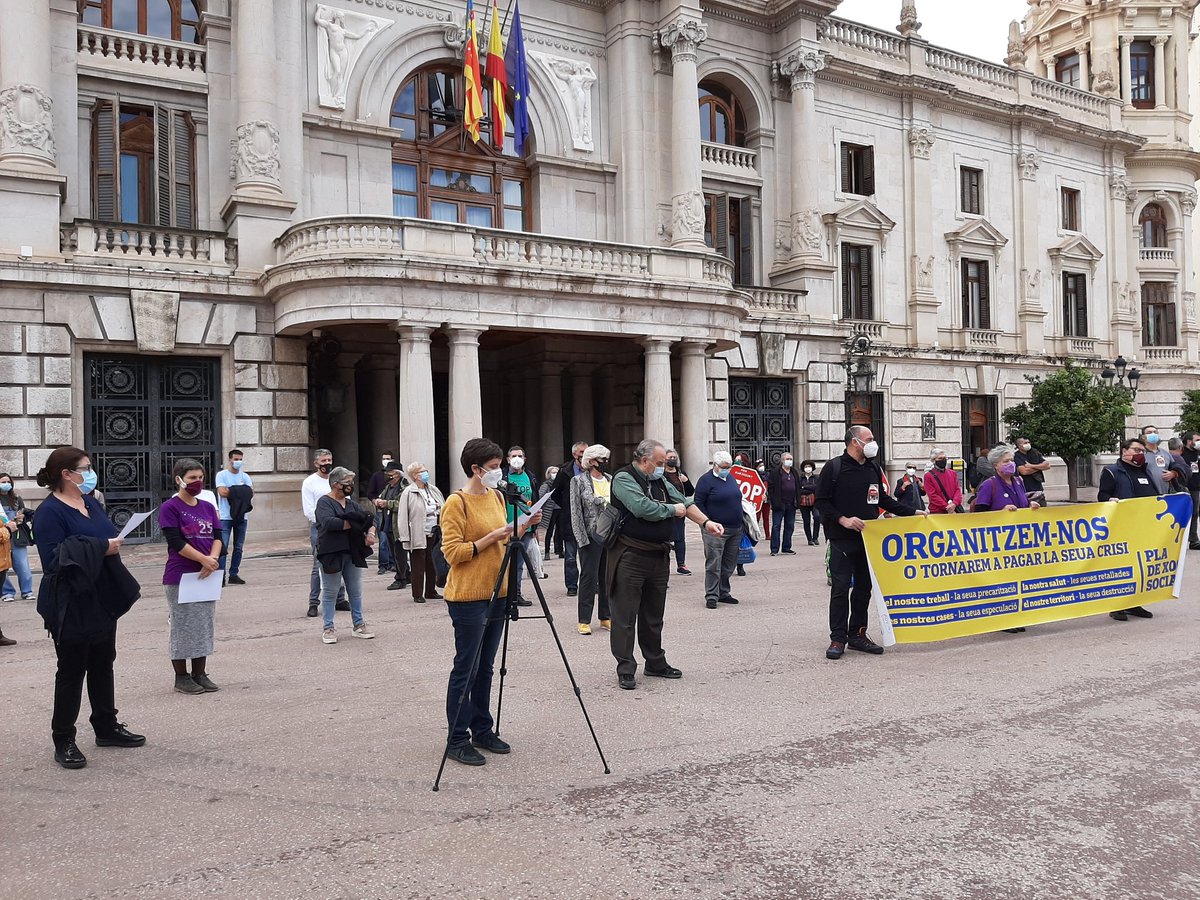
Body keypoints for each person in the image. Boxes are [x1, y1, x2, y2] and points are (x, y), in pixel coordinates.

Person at [34, 446, 144, 770]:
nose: (90, 472)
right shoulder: (49, 513)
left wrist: (109, 544)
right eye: (85, 467)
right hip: (70, 602)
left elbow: (104, 535)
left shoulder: (90, 502)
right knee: (71, 671)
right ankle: (63, 738)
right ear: (67, 474)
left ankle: (106, 726)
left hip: (101, 596)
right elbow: (54, 560)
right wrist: (101, 547)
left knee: (103, 662)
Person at [439, 437, 540, 766]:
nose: (501, 473)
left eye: (500, 466)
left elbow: (508, 537)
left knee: (486, 667)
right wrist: (492, 537)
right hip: (469, 596)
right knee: (465, 668)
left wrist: (525, 525)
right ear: (476, 469)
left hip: (498, 592)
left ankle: (483, 728)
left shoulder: (497, 496)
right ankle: (457, 737)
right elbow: (453, 553)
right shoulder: (457, 502)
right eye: (495, 468)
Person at [608, 439, 724, 689]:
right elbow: (642, 508)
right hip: (630, 555)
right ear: (644, 460)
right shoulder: (623, 478)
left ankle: (655, 662)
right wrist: (673, 510)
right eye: (659, 463)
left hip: (658, 555)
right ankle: (626, 668)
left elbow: (686, 503)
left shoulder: (659, 480)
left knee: (653, 615)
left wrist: (706, 523)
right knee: (625, 616)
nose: (663, 468)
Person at [815, 426, 921, 660]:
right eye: (869, 439)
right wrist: (842, 519)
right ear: (855, 442)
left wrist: (913, 512)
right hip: (842, 539)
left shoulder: (873, 467)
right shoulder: (834, 468)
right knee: (841, 589)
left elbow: (882, 499)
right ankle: (838, 638)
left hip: (869, 539)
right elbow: (821, 501)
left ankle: (858, 634)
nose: (874, 443)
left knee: (864, 589)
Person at [158, 459, 224, 695]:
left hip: (207, 573)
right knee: (183, 625)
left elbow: (218, 536)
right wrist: (202, 559)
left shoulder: (207, 506)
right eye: (192, 478)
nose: (197, 482)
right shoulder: (170, 508)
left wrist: (212, 559)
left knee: (203, 624)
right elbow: (176, 542)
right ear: (179, 480)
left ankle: (200, 673)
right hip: (181, 574)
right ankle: (181, 676)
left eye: (200, 477)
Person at [972, 445, 1040, 634]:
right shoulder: (989, 485)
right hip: (998, 542)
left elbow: (1022, 505)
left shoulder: (1018, 481)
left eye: (1011, 460)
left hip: (1019, 540)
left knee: (1018, 578)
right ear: (996, 465)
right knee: (1003, 581)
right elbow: (979, 515)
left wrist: (1030, 505)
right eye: (1006, 461)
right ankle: (1004, 618)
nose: (1011, 464)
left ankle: (1017, 615)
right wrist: (1000, 514)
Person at [1098, 438, 1159, 621]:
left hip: (1142, 527)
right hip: (1121, 527)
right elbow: (1102, 495)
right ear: (1124, 451)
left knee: (1139, 566)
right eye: (1135, 449)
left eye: (1142, 450)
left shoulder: (1144, 471)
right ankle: (1117, 606)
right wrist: (1110, 501)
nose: (1139, 453)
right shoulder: (1112, 471)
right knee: (1121, 568)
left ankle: (1134, 603)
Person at [314, 467, 377, 644]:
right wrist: (356, 522)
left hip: (353, 552)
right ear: (336, 485)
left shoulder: (351, 504)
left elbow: (369, 520)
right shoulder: (324, 502)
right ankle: (328, 628)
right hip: (332, 552)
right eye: (347, 482)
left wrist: (370, 533)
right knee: (330, 592)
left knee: (355, 591)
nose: (351, 486)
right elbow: (329, 523)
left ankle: (359, 625)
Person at [694, 451, 746, 610]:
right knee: (714, 563)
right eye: (723, 467)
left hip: (735, 528)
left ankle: (723, 592)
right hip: (715, 529)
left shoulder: (731, 478)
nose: (726, 469)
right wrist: (708, 522)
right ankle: (711, 595)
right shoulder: (705, 481)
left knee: (729, 563)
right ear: (715, 465)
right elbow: (698, 503)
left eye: (728, 467)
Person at [569, 444, 612, 634]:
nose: (605, 463)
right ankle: (584, 620)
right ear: (592, 461)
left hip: (611, 534)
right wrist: (581, 539)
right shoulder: (578, 481)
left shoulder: (611, 479)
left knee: (607, 577)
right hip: (590, 534)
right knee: (589, 577)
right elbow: (575, 512)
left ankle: (606, 616)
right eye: (602, 459)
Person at [391, 461, 445, 603]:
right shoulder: (409, 492)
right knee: (418, 564)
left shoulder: (432, 489)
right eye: (422, 471)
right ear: (415, 475)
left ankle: (431, 591)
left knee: (432, 562)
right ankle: (417, 593)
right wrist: (404, 536)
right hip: (417, 532)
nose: (426, 473)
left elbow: (443, 506)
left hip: (434, 531)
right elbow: (403, 516)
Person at [302, 449, 345, 617]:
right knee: (318, 565)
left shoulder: (337, 479)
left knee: (341, 562)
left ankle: (340, 599)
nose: (327, 463)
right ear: (316, 463)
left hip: (340, 526)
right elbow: (309, 510)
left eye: (329, 459)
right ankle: (314, 602)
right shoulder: (309, 482)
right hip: (320, 528)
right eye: (324, 460)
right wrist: (326, 521)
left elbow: (345, 501)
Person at [549, 441, 589, 596]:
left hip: (589, 520)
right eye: (582, 452)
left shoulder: (594, 469)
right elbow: (555, 493)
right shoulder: (564, 471)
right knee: (571, 556)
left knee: (589, 556)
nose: (584, 455)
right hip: (570, 520)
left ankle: (591, 583)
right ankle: (572, 585)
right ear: (574, 454)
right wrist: (568, 506)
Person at [501, 445, 538, 606]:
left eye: (520, 456)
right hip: (506, 525)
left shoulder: (530, 476)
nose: (517, 458)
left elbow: (534, 499)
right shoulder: (501, 477)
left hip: (526, 526)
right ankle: (502, 594)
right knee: (504, 561)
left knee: (519, 563)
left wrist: (535, 527)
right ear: (508, 459)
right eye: (513, 456)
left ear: (524, 459)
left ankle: (515, 594)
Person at [214, 449, 252, 586]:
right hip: (225, 516)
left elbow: (251, 492)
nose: (238, 462)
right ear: (230, 460)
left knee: (239, 547)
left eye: (240, 459)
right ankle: (220, 575)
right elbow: (222, 492)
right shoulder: (222, 475)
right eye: (235, 459)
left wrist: (233, 490)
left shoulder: (245, 476)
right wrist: (241, 490)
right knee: (222, 546)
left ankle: (234, 574)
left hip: (242, 516)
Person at [0, 472, 36, 600]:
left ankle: (27, 591)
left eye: (8, 482)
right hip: (2, 537)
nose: (6, 484)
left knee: (23, 565)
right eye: (3, 482)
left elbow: (23, 513)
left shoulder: (16, 499)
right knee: (2, 566)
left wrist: (20, 518)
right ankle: (7, 592)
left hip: (16, 535)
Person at [375, 462, 411, 590]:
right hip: (388, 523)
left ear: (396, 474)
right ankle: (407, 574)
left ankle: (400, 578)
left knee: (399, 553)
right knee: (394, 551)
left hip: (398, 525)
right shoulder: (388, 487)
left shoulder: (405, 487)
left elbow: (403, 505)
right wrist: (378, 501)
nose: (386, 474)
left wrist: (387, 503)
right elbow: (381, 497)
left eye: (389, 472)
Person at [662, 450, 694, 575]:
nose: (673, 459)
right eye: (670, 457)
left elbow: (690, 491)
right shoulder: (661, 474)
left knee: (680, 538)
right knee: (665, 539)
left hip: (680, 510)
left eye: (674, 457)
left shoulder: (681, 473)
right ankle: (664, 567)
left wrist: (686, 481)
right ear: (664, 459)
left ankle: (681, 564)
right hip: (666, 510)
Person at [367, 451, 396, 574]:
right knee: (383, 539)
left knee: (393, 538)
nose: (385, 460)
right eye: (384, 458)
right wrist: (375, 501)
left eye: (388, 458)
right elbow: (370, 493)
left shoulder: (396, 477)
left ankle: (393, 563)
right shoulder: (377, 476)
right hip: (381, 511)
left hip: (392, 511)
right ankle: (383, 564)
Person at [766, 453, 800, 556]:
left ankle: (786, 547)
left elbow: (798, 486)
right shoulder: (776, 472)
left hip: (791, 503)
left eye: (791, 459)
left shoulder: (794, 472)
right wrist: (773, 500)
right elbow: (771, 488)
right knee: (776, 526)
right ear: (782, 460)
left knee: (789, 526)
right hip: (779, 503)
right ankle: (774, 548)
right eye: (787, 459)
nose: (789, 461)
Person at [924, 448, 964, 514]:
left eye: (945, 458)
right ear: (934, 460)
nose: (943, 460)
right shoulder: (928, 476)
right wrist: (947, 507)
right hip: (938, 511)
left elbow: (957, 490)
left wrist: (954, 504)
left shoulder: (953, 473)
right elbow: (932, 495)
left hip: (954, 508)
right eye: (940, 458)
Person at [1013, 437, 1050, 506]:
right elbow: (1024, 471)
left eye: (1028, 442)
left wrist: (1031, 466)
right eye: (1025, 443)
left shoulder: (1034, 452)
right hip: (1025, 489)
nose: (1028, 444)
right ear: (1019, 445)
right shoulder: (1016, 456)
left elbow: (1047, 465)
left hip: (1038, 488)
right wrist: (1040, 467)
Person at [1139, 426, 1174, 494]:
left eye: (1155, 432)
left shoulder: (1165, 453)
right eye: (1149, 432)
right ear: (1143, 437)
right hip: (1147, 494)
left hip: (1165, 493)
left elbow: (1175, 467)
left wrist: (1173, 474)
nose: (1153, 434)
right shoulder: (1140, 453)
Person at [1180, 432, 1200, 549]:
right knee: (1184, 513)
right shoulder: (1182, 454)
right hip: (1186, 487)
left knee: (1195, 513)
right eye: (1197, 440)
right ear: (1189, 441)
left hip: (1196, 487)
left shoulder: (1197, 453)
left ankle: (1193, 539)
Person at [538, 466, 562, 559]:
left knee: (560, 531)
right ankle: (547, 552)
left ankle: (560, 550)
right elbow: (541, 496)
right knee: (549, 531)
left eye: (556, 472)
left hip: (559, 508)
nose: (554, 474)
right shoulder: (546, 485)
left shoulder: (559, 484)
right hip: (550, 510)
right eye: (553, 472)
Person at [797, 460, 821, 546]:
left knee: (817, 517)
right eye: (806, 466)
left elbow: (817, 488)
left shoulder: (816, 478)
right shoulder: (800, 478)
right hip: (803, 502)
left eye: (809, 466)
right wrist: (809, 488)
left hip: (815, 501)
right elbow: (799, 489)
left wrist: (805, 487)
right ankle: (809, 539)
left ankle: (815, 537)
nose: (808, 468)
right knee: (806, 521)